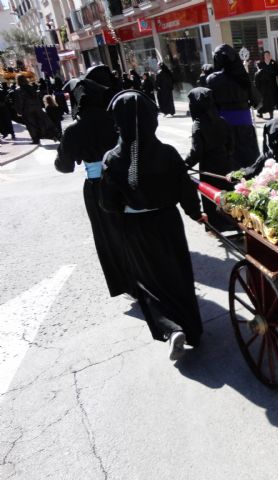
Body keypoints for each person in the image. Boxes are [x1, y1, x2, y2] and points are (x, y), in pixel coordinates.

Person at [100, 90, 206, 360]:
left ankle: (170, 329)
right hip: (168, 222)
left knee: (148, 281)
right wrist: (196, 214)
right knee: (178, 275)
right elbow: (185, 191)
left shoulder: (112, 159)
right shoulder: (168, 153)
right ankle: (191, 330)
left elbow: (108, 204)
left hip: (136, 227)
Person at [54, 65, 130, 298]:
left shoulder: (74, 131)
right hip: (126, 181)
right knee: (133, 229)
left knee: (108, 236)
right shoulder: (116, 118)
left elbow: (64, 166)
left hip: (97, 186)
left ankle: (125, 283)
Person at [184, 87, 233, 230]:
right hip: (225, 164)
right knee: (226, 193)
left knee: (212, 195)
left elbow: (196, 152)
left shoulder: (198, 125)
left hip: (209, 166)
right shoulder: (222, 120)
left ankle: (216, 225)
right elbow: (231, 144)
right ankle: (231, 222)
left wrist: (184, 165)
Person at [206, 44, 260, 169]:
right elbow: (257, 101)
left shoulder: (212, 80)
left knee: (229, 164)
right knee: (249, 162)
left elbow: (209, 105)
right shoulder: (242, 77)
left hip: (224, 126)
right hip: (244, 125)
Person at [13, 74, 57, 144]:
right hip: (37, 108)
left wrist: (19, 111)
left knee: (31, 125)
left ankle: (36, 139)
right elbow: (37, 98)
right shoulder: (31, 87)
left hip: (27, 110)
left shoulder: (19, 90)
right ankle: (51, 135)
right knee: (41, 122)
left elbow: (20, 101)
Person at [254, 52, 277, 119]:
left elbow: (256, 83)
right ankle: (271, 115)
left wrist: (258, 89)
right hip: (268, 89)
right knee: (269, 102)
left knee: (263, 103)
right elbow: (269, 80)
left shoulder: (257, 73)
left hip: (262, 90)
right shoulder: (266, 71)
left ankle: (260, 113)